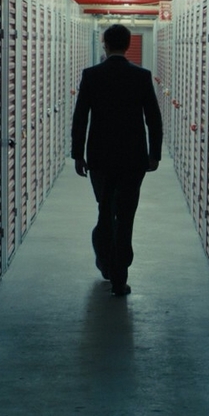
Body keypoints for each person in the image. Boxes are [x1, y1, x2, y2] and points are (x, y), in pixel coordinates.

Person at [71, 24, 163, 296]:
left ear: (104, 44)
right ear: (127, 44)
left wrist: (77, 154)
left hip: (100, 158)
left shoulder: (91, 76)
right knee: (125, 216)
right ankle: (119, 278)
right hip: (133, 160)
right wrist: (154, 154)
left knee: (105, 210)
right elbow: (153, 119)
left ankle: (106, 262)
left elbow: (80, 117)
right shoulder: (141, 76)